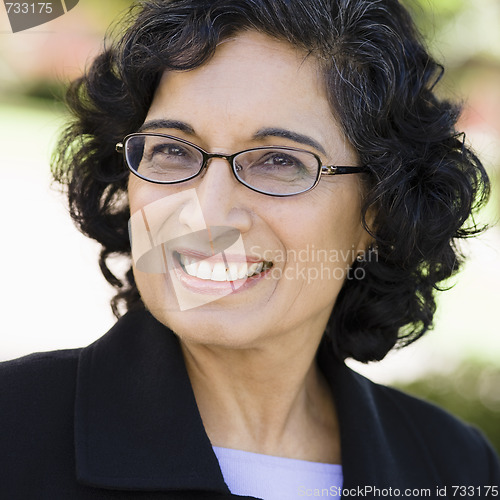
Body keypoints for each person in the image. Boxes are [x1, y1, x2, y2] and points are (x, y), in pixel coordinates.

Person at [1, 0, 499, 498]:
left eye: (279, 161)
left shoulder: (456, 469)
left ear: (381, 211)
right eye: (172, 149)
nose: (211, 213)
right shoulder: (14, 431)